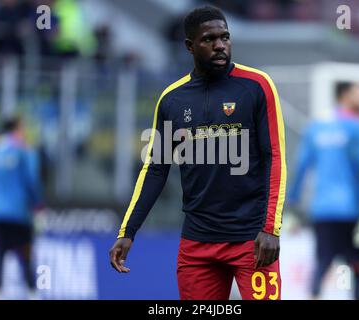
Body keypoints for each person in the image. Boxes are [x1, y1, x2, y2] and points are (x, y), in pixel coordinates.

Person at [109, 6, 287, 300]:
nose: (220, 45)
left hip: (252, 241)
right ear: (190, 46)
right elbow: (156, 169)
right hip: (197, 244)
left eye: (225, 37)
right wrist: (127, 231)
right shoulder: (171, 99)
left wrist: (271, 228)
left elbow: (275, 157)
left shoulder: (257, 86)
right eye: (209, 39)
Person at [287, 82, 359, 300]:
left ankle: (315, 295)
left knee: (323, 261)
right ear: (345, 95)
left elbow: (301, 167)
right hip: (352, 209)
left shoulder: (316, 127)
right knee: (355, 266)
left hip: (323, 209)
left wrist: (291, 203)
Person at [0, 116, 42, 299]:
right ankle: (32, 293)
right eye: (23, 129)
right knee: (26, 252)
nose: (25, 133)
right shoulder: (22, 152)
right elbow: (31, 181)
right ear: (15, 130)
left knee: (0, 252)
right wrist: (38, 205)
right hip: (19, 212)